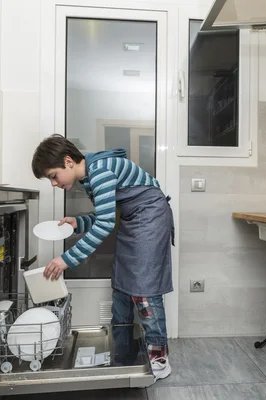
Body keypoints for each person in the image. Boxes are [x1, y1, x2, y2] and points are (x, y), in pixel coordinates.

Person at [31, 134, 174, 383]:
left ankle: (159, 357)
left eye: (53, 176)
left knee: (144, 287)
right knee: (121, 283)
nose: (53, 183)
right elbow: (105, 214)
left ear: (68, 161)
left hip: (150, 217)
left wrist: (66, 260)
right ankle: (123, 345)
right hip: (134, 219)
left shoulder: (100, 171)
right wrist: (79, 223)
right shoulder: (91, 174)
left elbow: (107, 222)